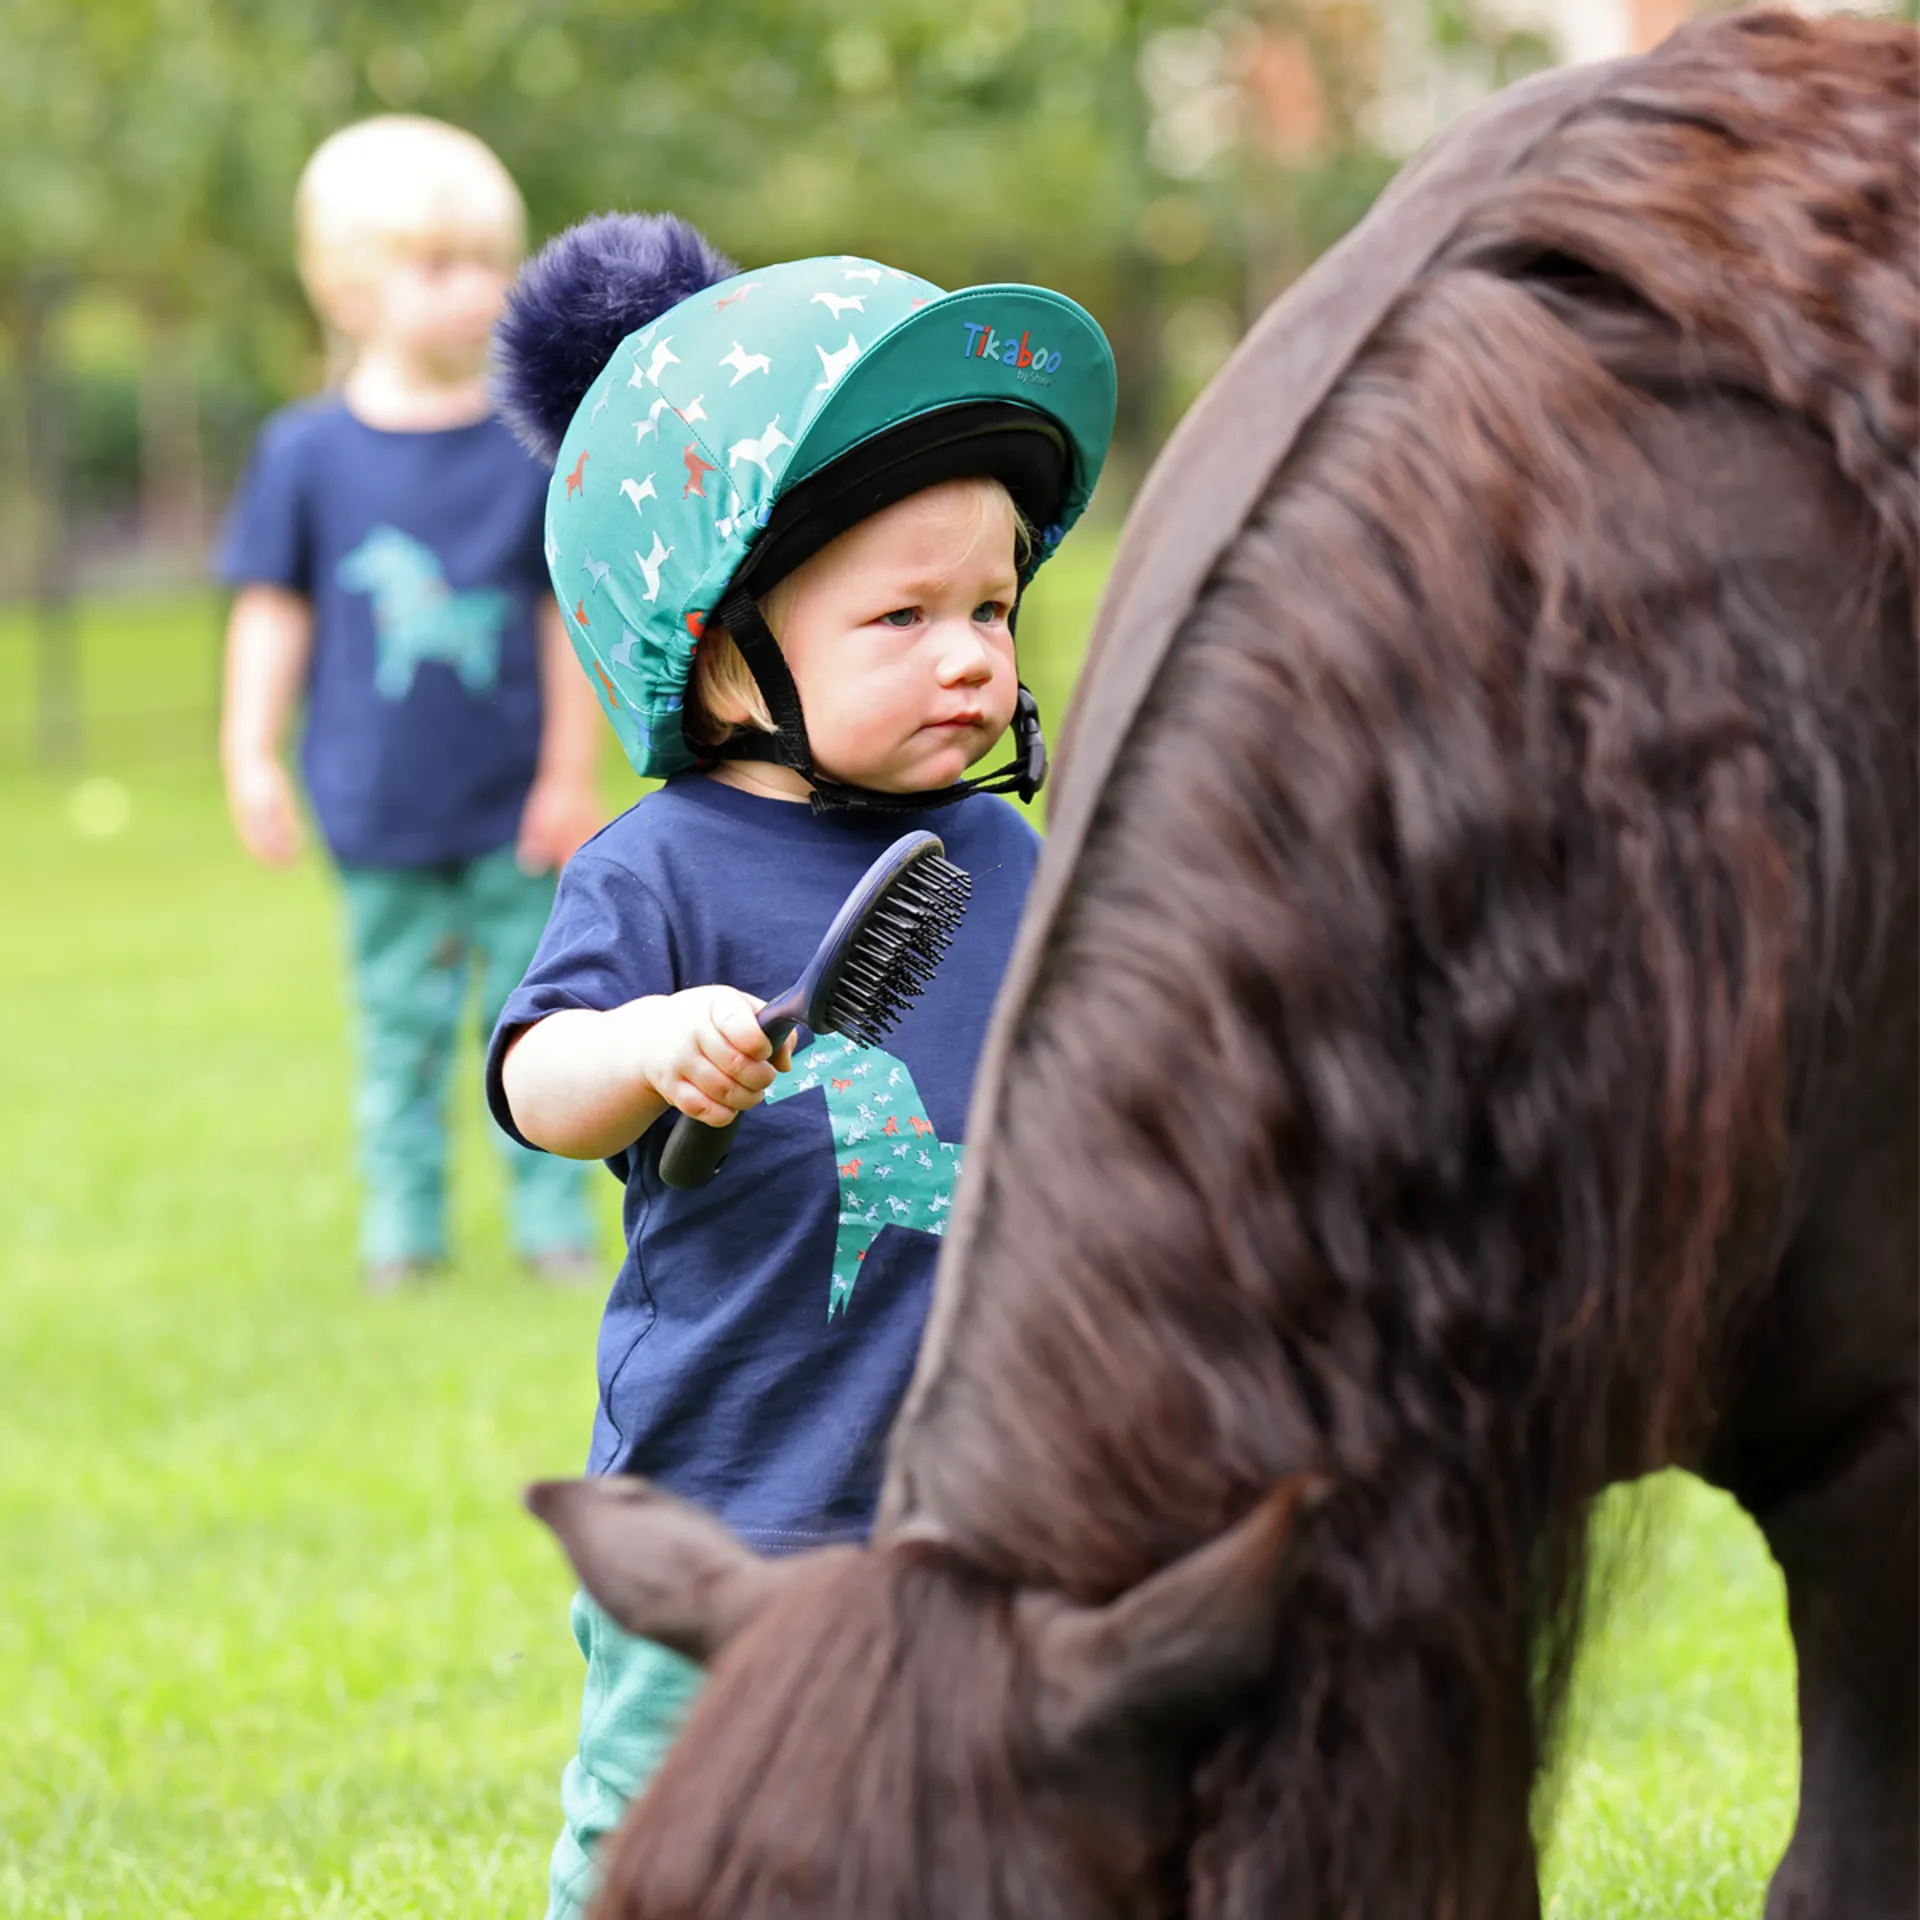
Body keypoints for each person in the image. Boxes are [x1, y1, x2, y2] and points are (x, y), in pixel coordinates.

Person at [484, 212, 1116, 1919]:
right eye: (902, 615)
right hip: (726, 1507)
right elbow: (538, 1086)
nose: (972, 655)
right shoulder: (657, 870)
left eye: (990, 607)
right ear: (721, 652)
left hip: (981, 1507)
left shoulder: (1010, 862)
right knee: (671, 1843)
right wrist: (644, 1046)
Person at [215, 116, 603, 1290]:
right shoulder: (306, 453)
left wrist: (568, 776)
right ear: (349, 290)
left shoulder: (533, 448)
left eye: (491, 261)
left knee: (540, 1021)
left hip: (514, 811)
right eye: (438, 264)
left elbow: (561, 622)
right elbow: (273, 610)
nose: (477, 288)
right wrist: (250, 752)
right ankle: (405, 1234)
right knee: (397, 1026)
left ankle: (553, 1224)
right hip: (375, 810)